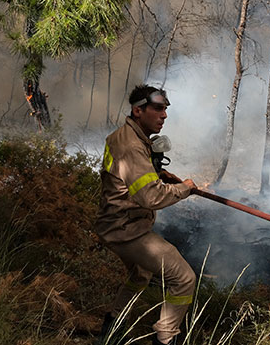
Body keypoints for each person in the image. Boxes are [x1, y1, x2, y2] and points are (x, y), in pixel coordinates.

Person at [95, 84, 198, 345]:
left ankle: (112, 330)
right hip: (126, 229)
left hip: (116, 221)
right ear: (138, 110)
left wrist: (157, 173)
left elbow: (126, 179)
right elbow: (150, 197)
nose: (164, 115)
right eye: (158, 108)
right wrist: (184, 188)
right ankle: (165, 337)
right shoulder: (131, 145)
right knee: (184, 278)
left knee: (140, 273)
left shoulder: (124, 137)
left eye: (165, 109)